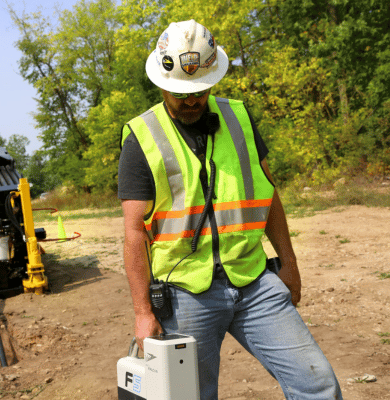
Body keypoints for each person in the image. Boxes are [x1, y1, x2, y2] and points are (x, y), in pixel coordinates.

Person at [118, 20, 342, 399]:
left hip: (253, 280)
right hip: (185, 292)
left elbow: (268, 196)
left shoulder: (239, 117)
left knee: (317, 383)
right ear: (161, 84)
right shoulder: (142, 137)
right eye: (180, 93)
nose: (191, 100)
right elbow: (133, 233)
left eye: (200, 91)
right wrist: (143, 311)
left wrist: (289, 262)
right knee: (191, 396)